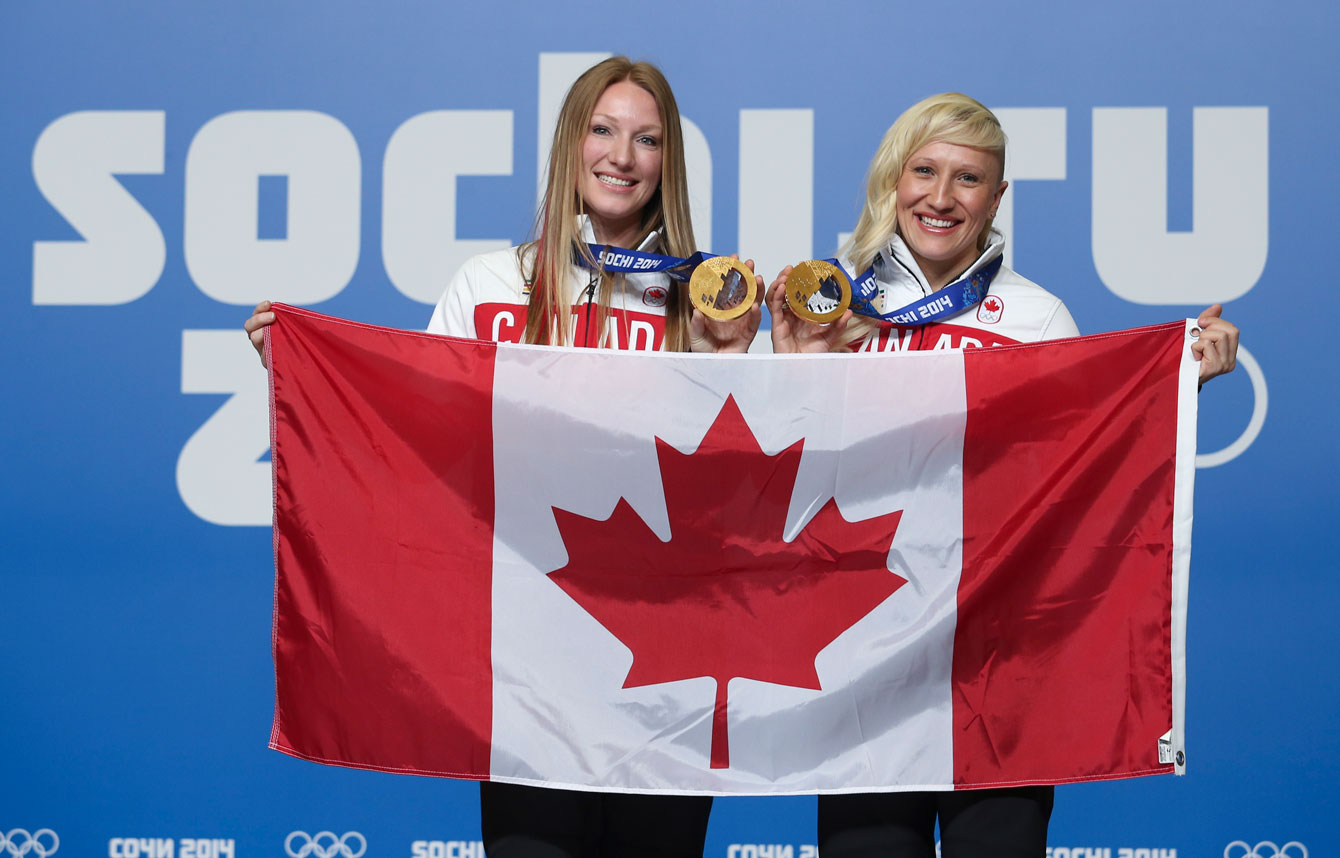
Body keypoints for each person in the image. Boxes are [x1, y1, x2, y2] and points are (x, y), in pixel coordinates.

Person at [247, 56, 763, 857]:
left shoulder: (707, 298)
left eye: (647, 139)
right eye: (602, 130)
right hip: (527, 659)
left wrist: (730, 359)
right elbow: (414, 443)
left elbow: (736, 492)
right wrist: (307, 376)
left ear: (669, 163)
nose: (622, 156)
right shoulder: (489, 283)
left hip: (666, 661)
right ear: (569, 144)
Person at [766, 92, 1238, 857]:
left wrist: (1178, 383)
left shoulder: (1037, 319)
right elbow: (780, 488)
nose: (942, 197)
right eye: (925, 171)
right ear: (894, 180)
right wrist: (795, 373)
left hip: (995, 667)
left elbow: (1085, 473)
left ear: (997, 197)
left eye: (968, 178)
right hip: (864, 657)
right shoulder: (834, 307)